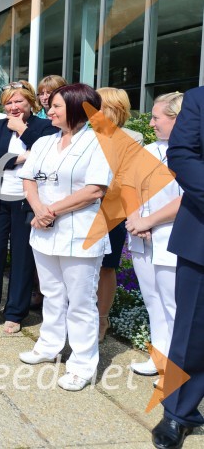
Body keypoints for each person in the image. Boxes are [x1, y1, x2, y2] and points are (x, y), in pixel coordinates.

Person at [17, 83, 111, 392]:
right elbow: (29, 180)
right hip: (44, 230)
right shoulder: (44, 141)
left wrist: (51, 210)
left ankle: (83, 364)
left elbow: (95, 190)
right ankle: (49, 345)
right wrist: (38, 208)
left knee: (81, 301)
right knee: (51, 291)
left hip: (80, 232)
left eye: (56, 105)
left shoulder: (99, 143)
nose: (50, 109)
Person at [0, 81, 57, 333]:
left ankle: (15, 312)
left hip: (27, 201)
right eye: (9, 102)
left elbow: (46, 155)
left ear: (30, 102)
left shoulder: (45, 127)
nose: (13, 106)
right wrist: (22, 157)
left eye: (19, 101)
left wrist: (22, 129)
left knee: (23, 257)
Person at [150, 86, 204, 449]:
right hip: (203, 230)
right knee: (193, 330)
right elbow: (182, 154)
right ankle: (178, 412)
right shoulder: (200, 99)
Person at [124, 92, 183, 378]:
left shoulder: (191, 152)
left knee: (174, 305)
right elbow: (128, 187)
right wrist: (135, 218)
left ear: (176, 119)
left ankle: (177, 368)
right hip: (141, 237)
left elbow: (187, 199)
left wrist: (149, 220)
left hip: (171, 238)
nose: (151, 122)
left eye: (157, 117)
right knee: (152, 300)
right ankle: (159, 357)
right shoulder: (149, 150)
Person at [95, 87, 144, 342]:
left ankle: (102, 318)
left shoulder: (132, 138)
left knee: (107, 266)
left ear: (112, 108)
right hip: (81, 208)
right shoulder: (83, 135)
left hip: (112, 211)